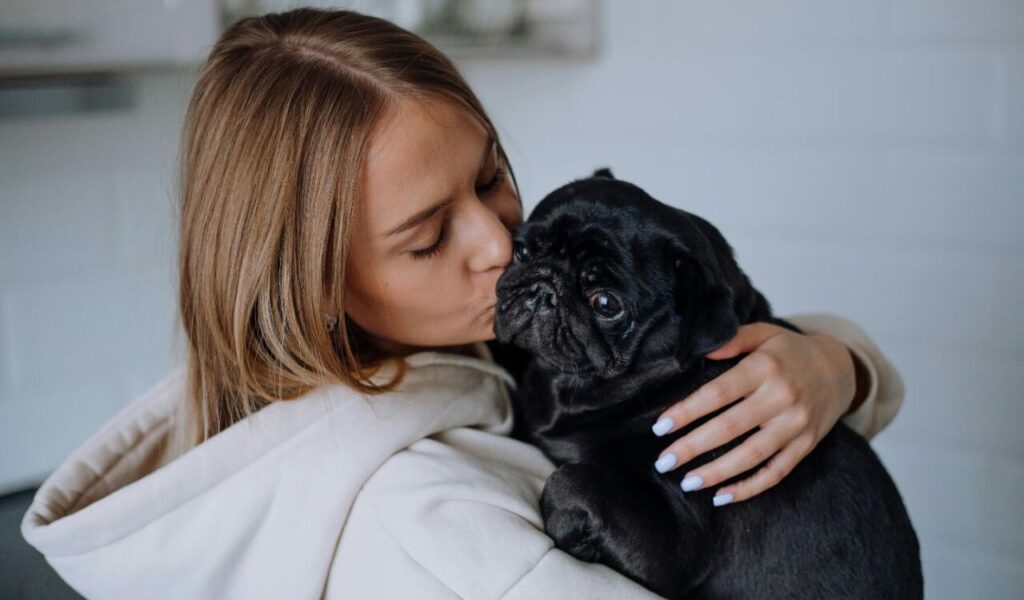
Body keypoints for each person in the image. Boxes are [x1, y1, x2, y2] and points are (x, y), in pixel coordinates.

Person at [21, 8, 905, 599]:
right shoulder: (434, 522)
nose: (496, 242)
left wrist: (833, 360)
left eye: (491, 178)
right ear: (313, 288)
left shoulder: (461, 350)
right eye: (427, 236)